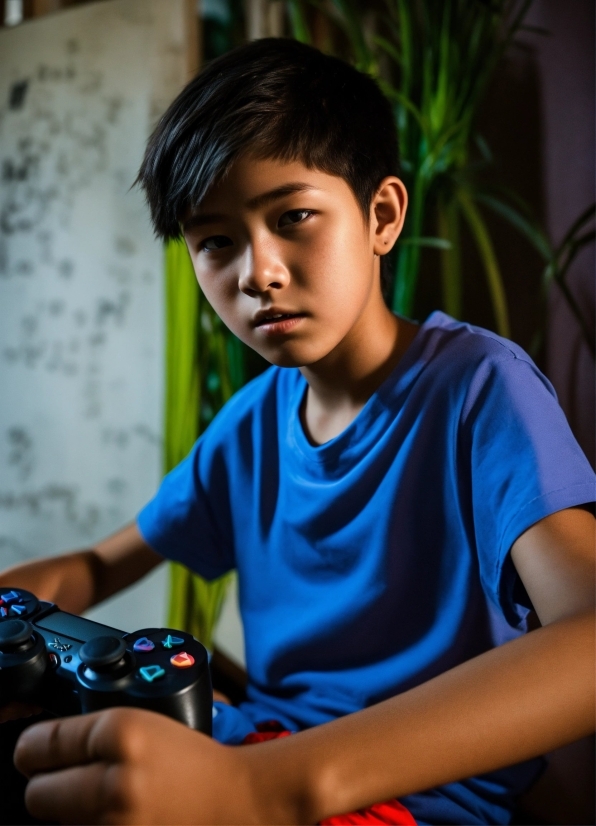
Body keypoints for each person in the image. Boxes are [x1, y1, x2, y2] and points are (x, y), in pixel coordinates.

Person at [1, 38, 594, 826]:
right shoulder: (249, 427)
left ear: (381, 216)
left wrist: (269, 787)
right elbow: (95, 565)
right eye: (216, 241)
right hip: (244, 750)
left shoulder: (479, 391)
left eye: (293, 218)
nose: (258, 272)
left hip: (395, 801)